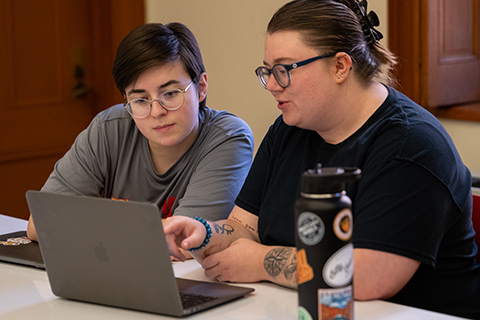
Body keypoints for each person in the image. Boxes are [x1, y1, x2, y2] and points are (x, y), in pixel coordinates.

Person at [163, 1, 480, 318]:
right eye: (268, 71)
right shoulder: (291, 127)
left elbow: (369, 278)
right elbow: (243, 227)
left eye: (284, 70)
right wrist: (205, 233)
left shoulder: (412, 145)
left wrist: (260, 261)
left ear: (341, 66)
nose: (272, 85)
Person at [26, 23, 254, 242]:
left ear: (201, 87)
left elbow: (182, 241)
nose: (157, 111)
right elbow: (40, 224)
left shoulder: (228, 137)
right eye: (141, 99)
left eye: (171, 93)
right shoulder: (109, 128)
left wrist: (91, 224)